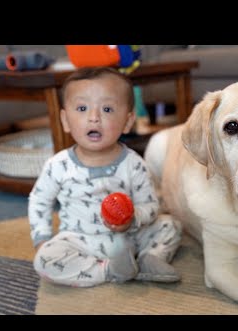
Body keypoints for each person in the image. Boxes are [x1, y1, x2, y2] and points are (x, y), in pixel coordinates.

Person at [28, 67, 182, 287]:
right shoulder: (58, 165)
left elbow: (150, 205)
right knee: (44, 259)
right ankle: (107, 270)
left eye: (107, 109)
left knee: (171, 225)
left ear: (128, 121)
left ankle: (152, 258)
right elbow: (39, 201)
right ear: (65, 120)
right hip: (79, 241)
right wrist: (41, 238)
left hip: (130, 237)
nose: (94, 118)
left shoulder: (134, 163)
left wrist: (133, 218)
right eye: (82, 108)